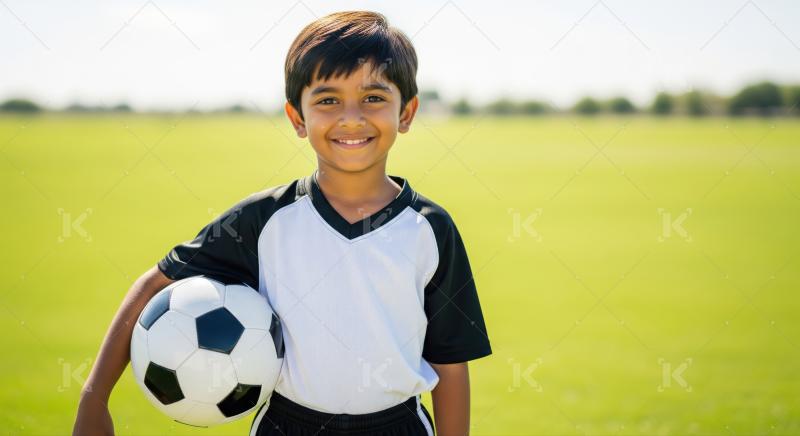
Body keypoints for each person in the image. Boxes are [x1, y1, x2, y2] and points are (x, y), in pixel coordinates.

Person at [73, 10, 492, 436]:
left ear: (406, 112)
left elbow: (450, 362)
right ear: (297, 117)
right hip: (286, 424)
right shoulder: (261, 220)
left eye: (374, 98)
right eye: (328, 100)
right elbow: (156, 285)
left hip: (398, 425)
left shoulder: (430, 229)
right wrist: (94, 397)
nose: (351, 117)